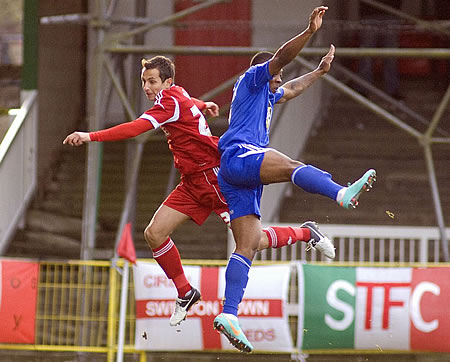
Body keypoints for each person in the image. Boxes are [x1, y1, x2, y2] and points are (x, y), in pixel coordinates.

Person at [63, 56, 335, 327]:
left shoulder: (169, 102)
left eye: (152, 81)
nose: (146, 87)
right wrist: (203, 105)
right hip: (192, 183)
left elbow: (136, 128)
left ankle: (305, 232)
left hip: (215, 178)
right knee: (154, 233)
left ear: (167, 82)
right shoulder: (175, 95)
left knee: (253, 242)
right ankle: (185, 292)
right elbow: (188, 102)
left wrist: (90, 136)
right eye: (144, 81)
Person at [213, 6, 376, 353]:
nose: (278, 78)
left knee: (248, 244)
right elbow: (280, 58)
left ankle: (228, 313)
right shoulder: (253, 79)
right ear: (264, 70)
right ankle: (341, 193)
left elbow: (291, 88)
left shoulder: (267, 93)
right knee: (290, 166)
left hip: (236, 175)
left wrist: (318, 72)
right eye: (276, 73)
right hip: (240, 155)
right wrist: (309, 33)